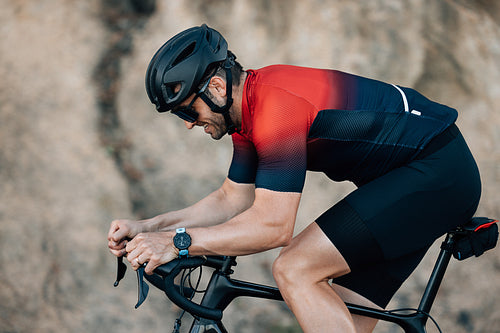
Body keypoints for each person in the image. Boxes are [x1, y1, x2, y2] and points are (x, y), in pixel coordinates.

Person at [107, 24, 481, 332]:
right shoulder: (248, 115)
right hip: (411, 181)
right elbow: (231, 199)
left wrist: (178, 243)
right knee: (338, 317)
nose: (189, 124)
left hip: (437, 172)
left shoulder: (276, 108)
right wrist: (148, 228)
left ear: (216, 88)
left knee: (295, 267)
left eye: (187, 111)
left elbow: (273, 227)